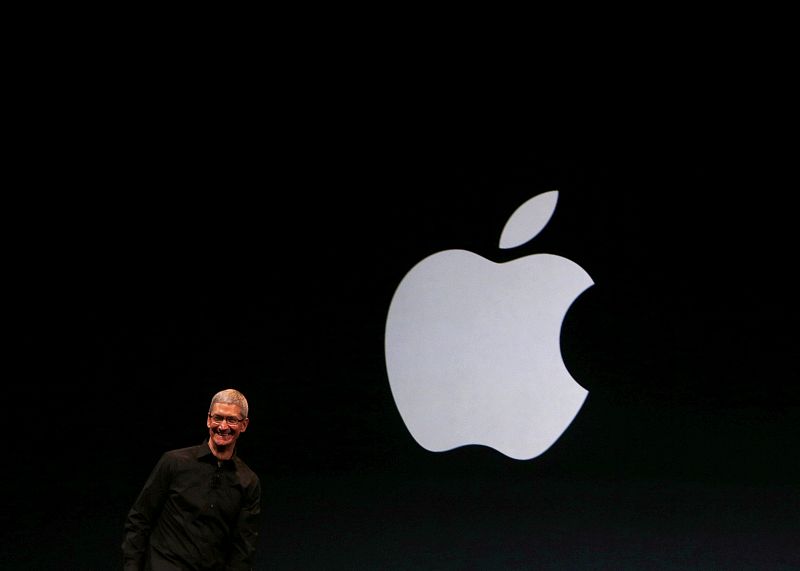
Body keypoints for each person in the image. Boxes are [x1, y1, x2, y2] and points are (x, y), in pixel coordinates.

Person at [122, 388, 261, 570]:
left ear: (244, 425)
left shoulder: (248, 481)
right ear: (208, 419)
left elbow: (243, 548)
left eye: (232, 420)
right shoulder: (174, 462)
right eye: (218, 418)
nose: (223, 426)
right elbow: (140, 519)